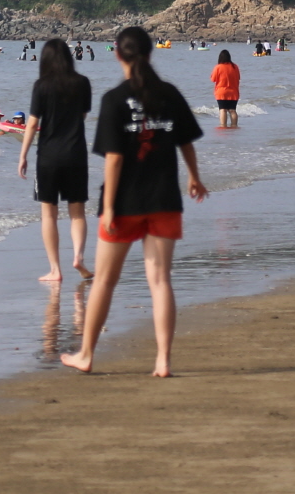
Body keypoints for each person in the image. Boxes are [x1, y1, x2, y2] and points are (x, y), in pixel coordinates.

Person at [60, 26, 208, 377]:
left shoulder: (114, 99)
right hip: (164, 198)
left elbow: (113, 159)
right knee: (160, 281)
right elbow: (186, 141)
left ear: (117, 54)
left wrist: (109, 207)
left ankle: (87, 356)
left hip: (124, 203)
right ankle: (163, 361)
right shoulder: (169, 94)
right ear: (151, 52)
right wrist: (194, 177)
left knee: (105, 282)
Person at [20, 38, 94, 283]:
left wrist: (23, 155)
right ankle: (79, 257)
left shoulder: (41, 86)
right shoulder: (82, 83)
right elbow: (82, 115)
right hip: (76, 153)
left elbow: (32, 123)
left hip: (48, 156)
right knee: (77, 211)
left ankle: (55, 270)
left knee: (49, 214)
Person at [210, 49, 242, 128]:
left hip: (221, 92)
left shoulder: (218, 67)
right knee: (232, 110)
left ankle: (223, 126)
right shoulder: (235, 67)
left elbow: (213, 79)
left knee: (223, 110)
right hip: (234, 91)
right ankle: (234, 126)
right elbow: (238, 77)